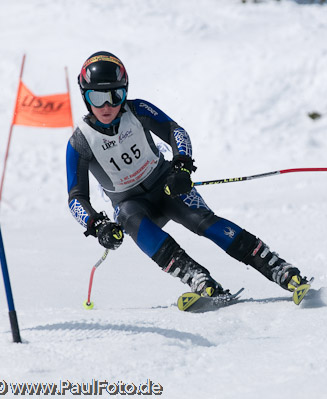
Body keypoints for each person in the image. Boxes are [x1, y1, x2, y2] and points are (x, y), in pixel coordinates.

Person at [66, 51, 309, 300]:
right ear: (85, 98)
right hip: (132, 205)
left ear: (125, 92)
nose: (107, 106)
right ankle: (196, 277)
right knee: (127, 215)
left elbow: (175, 131)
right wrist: (97, 225)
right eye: (97, 97)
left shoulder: (137, 110)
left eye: (115, 95)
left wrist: (181, 166)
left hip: (167, 187)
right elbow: (76, 198)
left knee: (201, 221)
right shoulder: (80, 142)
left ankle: (277, 267)